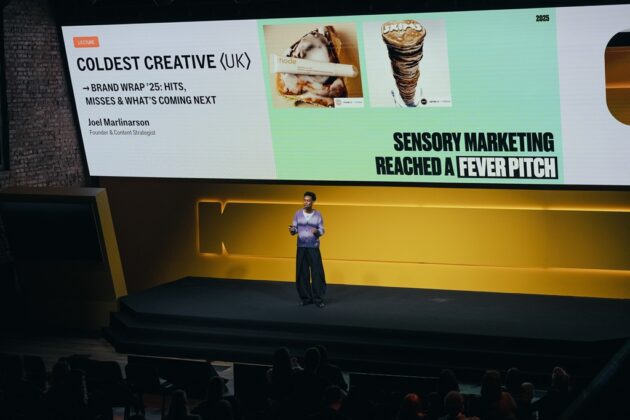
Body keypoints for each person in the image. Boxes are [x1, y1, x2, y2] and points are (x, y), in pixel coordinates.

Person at [289, 191, 326, 307]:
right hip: (301, 247)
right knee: (302, 273)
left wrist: (317, 232)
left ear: (313, 202)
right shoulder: (297, 214)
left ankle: (318, 299)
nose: (306, 202)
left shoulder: (318, 215)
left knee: (317, 273)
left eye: (308, 200)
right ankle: (306, 298)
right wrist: (292, 230)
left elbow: (322, 230)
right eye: (304, 200)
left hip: (313, 247)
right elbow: (294, 229)